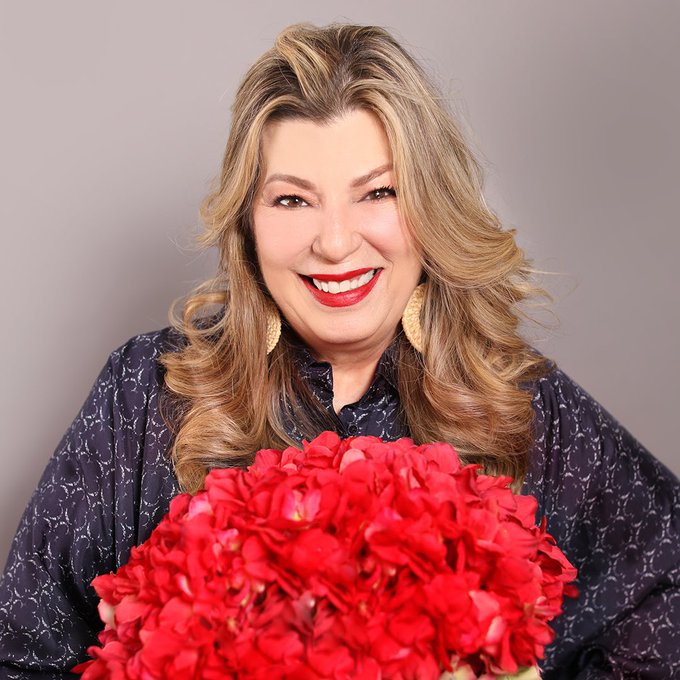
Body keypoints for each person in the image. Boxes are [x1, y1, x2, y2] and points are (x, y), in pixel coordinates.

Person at [0, 22, 678, 680]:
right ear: (248, 222)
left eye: (378, 192)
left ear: (432, 207)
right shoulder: (146, 392)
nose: (334, 242)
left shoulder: (519, 400)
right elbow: (23, 653)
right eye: (292, 200)